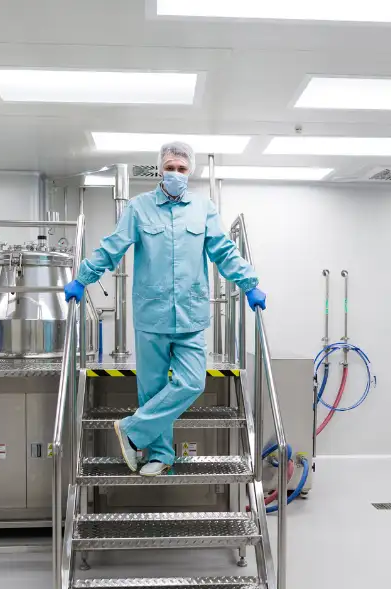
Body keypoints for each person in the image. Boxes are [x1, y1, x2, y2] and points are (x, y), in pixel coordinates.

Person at [64, 141, 267, 477]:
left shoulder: (204, 209)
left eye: (182, 169)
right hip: (151, 314)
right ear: (160, 169)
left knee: (191, 383)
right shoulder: (139, 208)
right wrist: (83, 278)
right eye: (170, 168)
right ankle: (159, 455)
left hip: (190, 315)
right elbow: (113, 247)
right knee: (153, 390)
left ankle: (131, 429)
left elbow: (224, 252)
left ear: (191, 172)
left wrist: (249, 283)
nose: (175, 174)